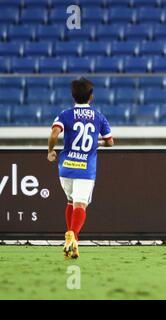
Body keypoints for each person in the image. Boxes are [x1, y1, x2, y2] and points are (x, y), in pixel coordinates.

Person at [47, 77, 114, 259]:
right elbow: (110, 142)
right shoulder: (98, 116)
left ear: (73, 96)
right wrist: (96, 142)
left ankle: (71, 244)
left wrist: (50, 151)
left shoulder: (65, 114)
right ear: (90, 97)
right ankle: (73, 236)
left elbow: (54, 133)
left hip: (66, 167)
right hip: (86, 168)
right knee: (80, 205)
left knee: (70, 201)